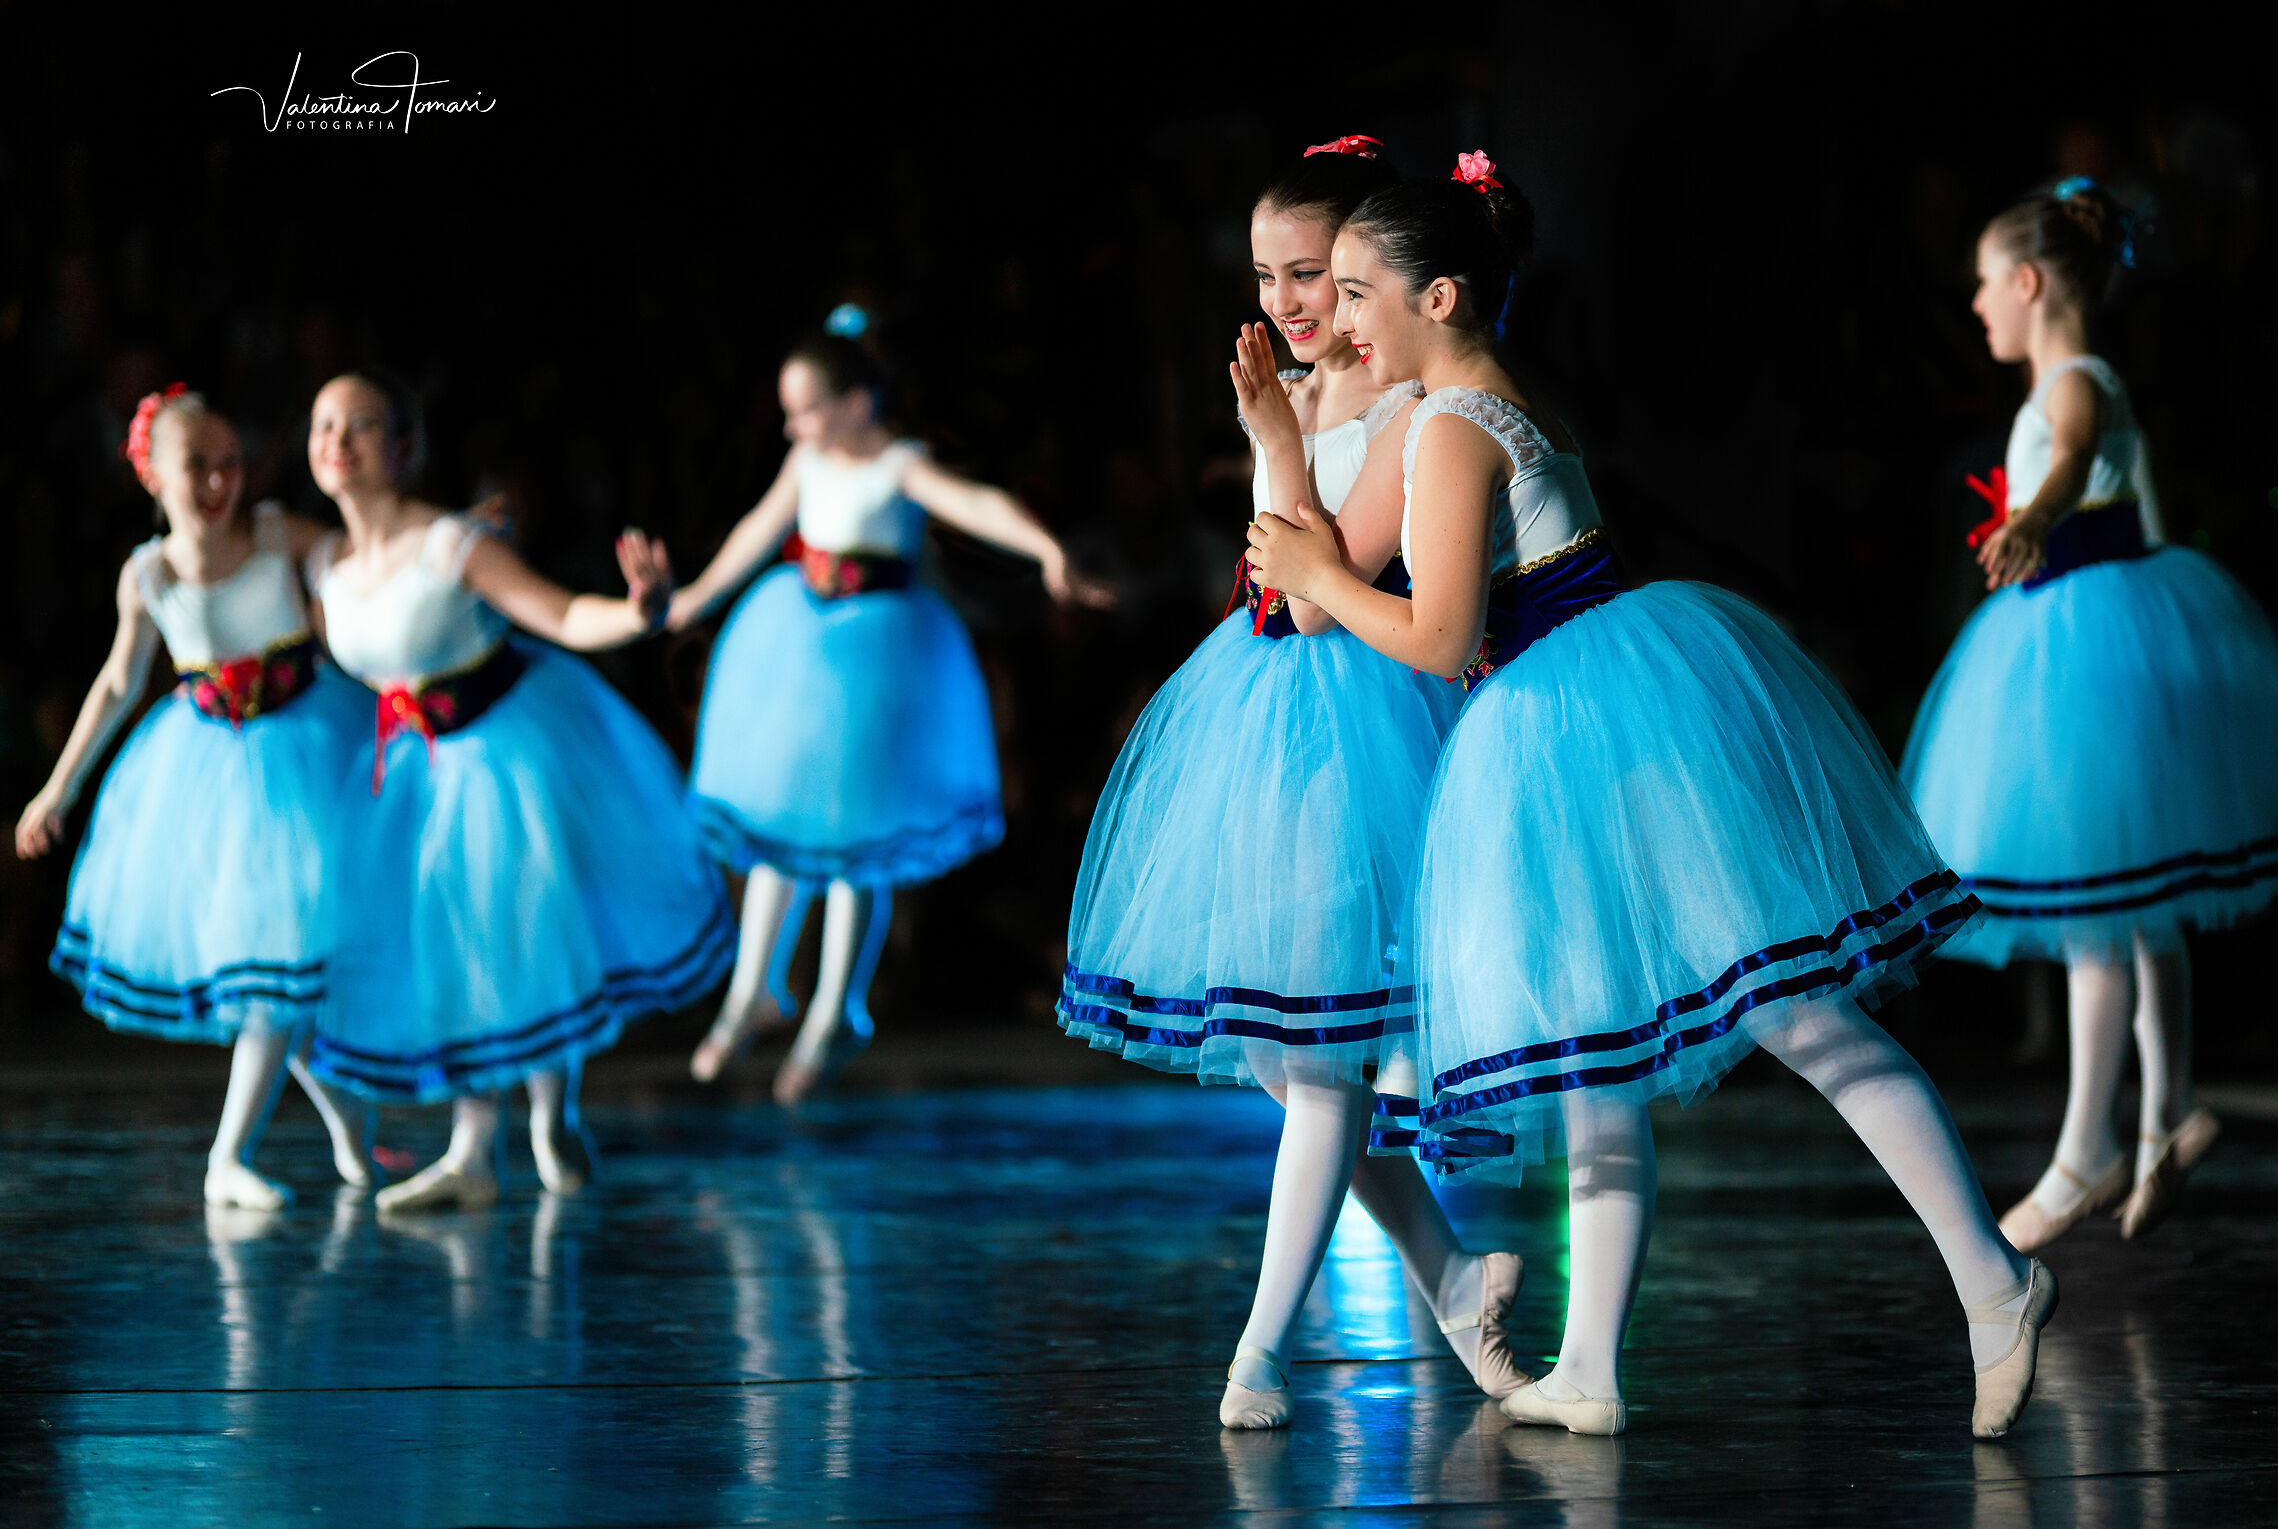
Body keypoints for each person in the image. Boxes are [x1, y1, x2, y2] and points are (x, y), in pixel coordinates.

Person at [1245, 154, 2047, 1440]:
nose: (1335, 323)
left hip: (1592, 734)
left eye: (1353, 294)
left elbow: (1441, 635)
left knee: (1798, 1017)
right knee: (1598, 1058)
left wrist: (1314, 568)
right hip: (1578, 726)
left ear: (1437, 296)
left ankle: (1995, 1276)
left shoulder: (1451, 425)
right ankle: (1594, 1361)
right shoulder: (1488, 399)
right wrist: (1298, 489)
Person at [1063, 139, 1528, 1430]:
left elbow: (1321, 588)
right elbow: (1277, 572)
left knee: (1320, 1059)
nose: (1287, 300)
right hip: (1270, 719)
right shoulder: (1306, 383)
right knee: (1284, 1052)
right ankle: (1450, 1274)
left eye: (1313, 273)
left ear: (1372, 273)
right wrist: (1274, 430)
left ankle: (1257, 1354)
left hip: (1365, 713)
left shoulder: (1401, 403)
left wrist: (1275, 438)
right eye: (1267, 274)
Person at [1902, 179, 2278, 1247]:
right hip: (2097, 631)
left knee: (2100, 904)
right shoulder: (2082, 380)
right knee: (2140, 902)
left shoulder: (2074, 383)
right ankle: (2164, 1109)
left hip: (2085, 647)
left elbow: (2066, 456)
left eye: (1981, 284)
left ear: (2025, 282)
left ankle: (2085, 1149)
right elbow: (2131, 497)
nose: (1974, 305)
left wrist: (2036, 517)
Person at [302, 369, 735, 1211]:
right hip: (410, 769)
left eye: (359, 425)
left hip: (502, 750)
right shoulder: (318, 558)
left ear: (401, 447)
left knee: (522, 931)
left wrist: (642, 611)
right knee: (457, 945)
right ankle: (474, 1151)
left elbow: (567, 615)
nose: (338, 442)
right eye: (323, 426)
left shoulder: (452, 545)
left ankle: (552, 1113)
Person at [671, 318, 1112, 1104]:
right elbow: (756, 530)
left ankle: (837, 1004)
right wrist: (695, 596)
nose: (792, 425)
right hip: (798, 649)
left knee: (858, 837)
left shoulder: (896, 464)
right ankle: (754, 991)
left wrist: (1044, 549)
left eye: (805, 409)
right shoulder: (805, 461)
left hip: (877, 665)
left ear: (854, 402)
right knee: (780, 825)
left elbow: (976, 504)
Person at [20, 384, 377, 1207]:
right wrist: (59, 787)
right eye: (198, 469)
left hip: (317, 752)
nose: (220, 484)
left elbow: (363, 567)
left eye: (230, 464)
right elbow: (117, 684)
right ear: (153, 476)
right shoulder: (147, 575)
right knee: (275, 970)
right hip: (215, 783)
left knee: (295, 973)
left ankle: (343, 1129)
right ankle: (237, 1155)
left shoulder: (276, 531)